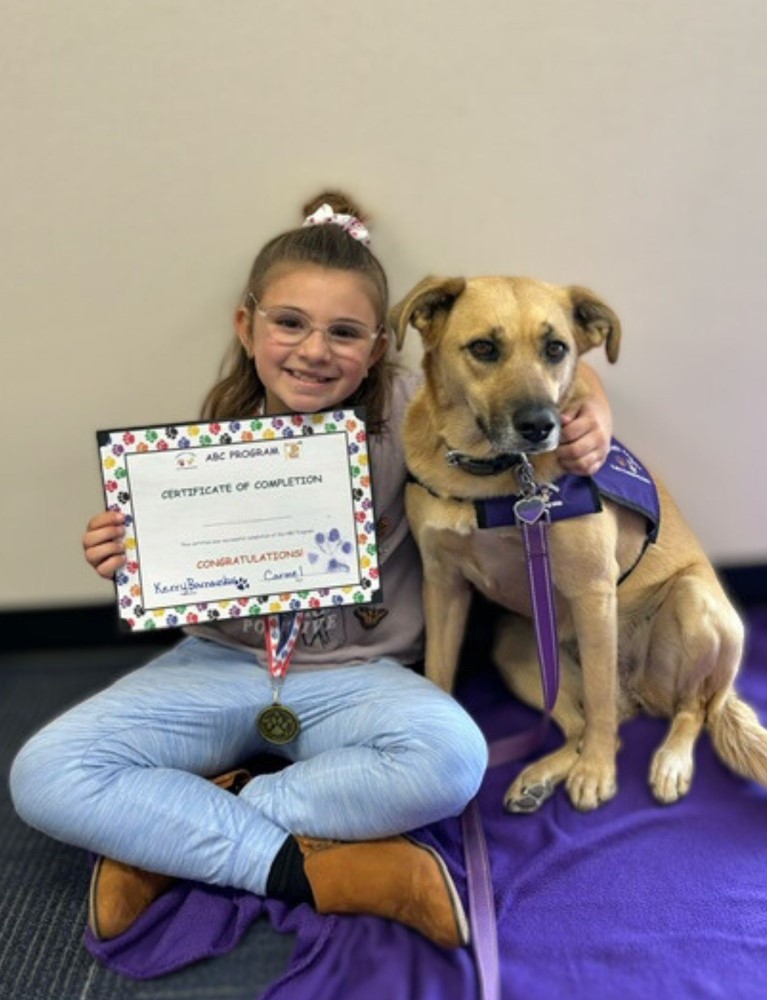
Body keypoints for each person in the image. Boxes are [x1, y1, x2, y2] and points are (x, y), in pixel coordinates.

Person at [9, 191, 613, 951]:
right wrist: (126, 557)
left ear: (381, 346)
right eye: (290, 323)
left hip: (357, 674)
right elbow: (170, 570)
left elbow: (549, 362)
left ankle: (175, 827)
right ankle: (317, 871)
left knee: (454, 762)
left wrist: (596, 418)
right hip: (219, 663)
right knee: (44, 773)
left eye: (344, 333)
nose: (315, 350)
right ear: (247, 326)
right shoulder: (201, 445)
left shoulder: (416, 409)